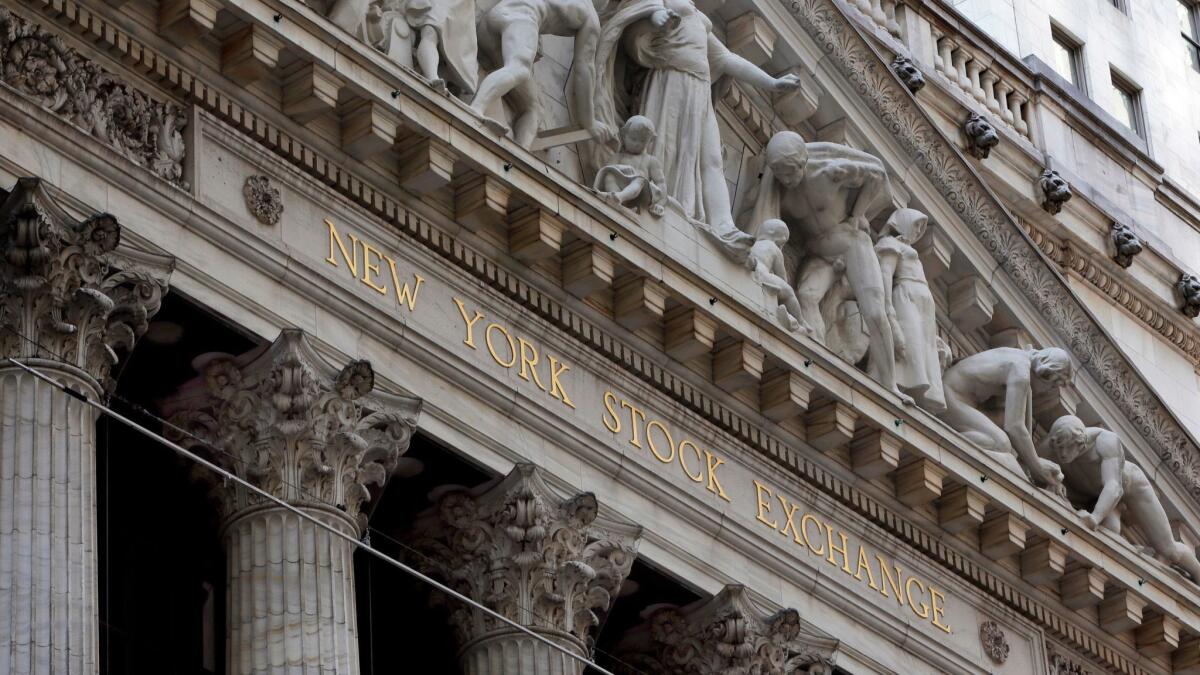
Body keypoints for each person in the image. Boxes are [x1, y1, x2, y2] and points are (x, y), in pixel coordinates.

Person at [583, 0, 800, 259]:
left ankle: (723, 226)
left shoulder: (698, 18)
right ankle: (658, 199)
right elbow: (640, 18)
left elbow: (728, 59)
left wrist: (772, 83)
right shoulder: (668, 3)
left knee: (712, 159)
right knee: (665, 145)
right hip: (671, 80)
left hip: (699, 89)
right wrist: (657, 18)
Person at [751, 131, 911, 405]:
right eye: (781, 174)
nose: (788, 180)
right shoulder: (780, 190)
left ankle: (890, 385)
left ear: (802, 162)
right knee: (807, 296)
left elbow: (877, 175)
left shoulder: (827, 171)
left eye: (791, 172)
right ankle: (819, 353)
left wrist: (857, 214)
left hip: (851, 244)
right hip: (818, 251)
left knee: (874, 311)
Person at [1041, 416, 1200, 583]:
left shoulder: (1105, 441)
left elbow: (1114, 486)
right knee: (1110, 532)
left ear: (1080, 443)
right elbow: (1034, 465)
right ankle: (1137, 551)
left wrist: (1095, 517)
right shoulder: (1052, 445)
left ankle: (1197, 572)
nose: (1063, 453)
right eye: (1059, 448)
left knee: (1168, 549)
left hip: (1129, 489)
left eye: (1068, 447)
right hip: (1093, 496)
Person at [473, 0, 614, 149]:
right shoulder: (589, 16)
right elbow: (584, 69)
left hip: (490, 21)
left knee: (533, 107)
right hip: (521, 19)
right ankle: (476, 108)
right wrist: (589, 121)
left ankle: (519, 155)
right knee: (519, 69)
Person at [939, 346, 1072, 490]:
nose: (1049, 391)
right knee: (1000, 443)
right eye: (1053, 385)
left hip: (962, 400)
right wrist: (1038, 467)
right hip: (951, 398)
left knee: (1007, 446)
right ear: (1046, 374)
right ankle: (944, 441)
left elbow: (1023, 429)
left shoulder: (1021, 361)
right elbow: (1014, 427)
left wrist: (1031, 463)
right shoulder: (1020, 372)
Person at [874, 209, 945, 412]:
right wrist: (888, 307)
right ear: (903, 223)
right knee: (908, 342)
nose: (919, 230)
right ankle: (894, 383)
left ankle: (915, 392)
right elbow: (886, 273)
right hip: (905, 296)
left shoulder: (906, 248)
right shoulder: (890, 244)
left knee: (923, 347)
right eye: (916, 225)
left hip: (922, 303)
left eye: (922, 228)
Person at [593, 116, 667, 216]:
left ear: (649, 141)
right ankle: (614, 197)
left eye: (642, 141)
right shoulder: (617, 157)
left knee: (640, 179)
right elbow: (605, 171)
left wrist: (660, 204)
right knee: (610, 175)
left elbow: (661, 183)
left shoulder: (651, 161)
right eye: (633, 139)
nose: (637, 144)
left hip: (639, 194)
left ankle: (619, 197)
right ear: (624, 136)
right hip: (618, 187)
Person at [747, 219, 810, 334]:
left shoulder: (754, 244)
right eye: (783, 240)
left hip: (751, 271)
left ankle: (783, 313)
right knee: (788, 292)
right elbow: (782, 277)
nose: (782, 244)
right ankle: (800, 321)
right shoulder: (774, 248)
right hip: (762, 272)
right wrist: (783, 290)